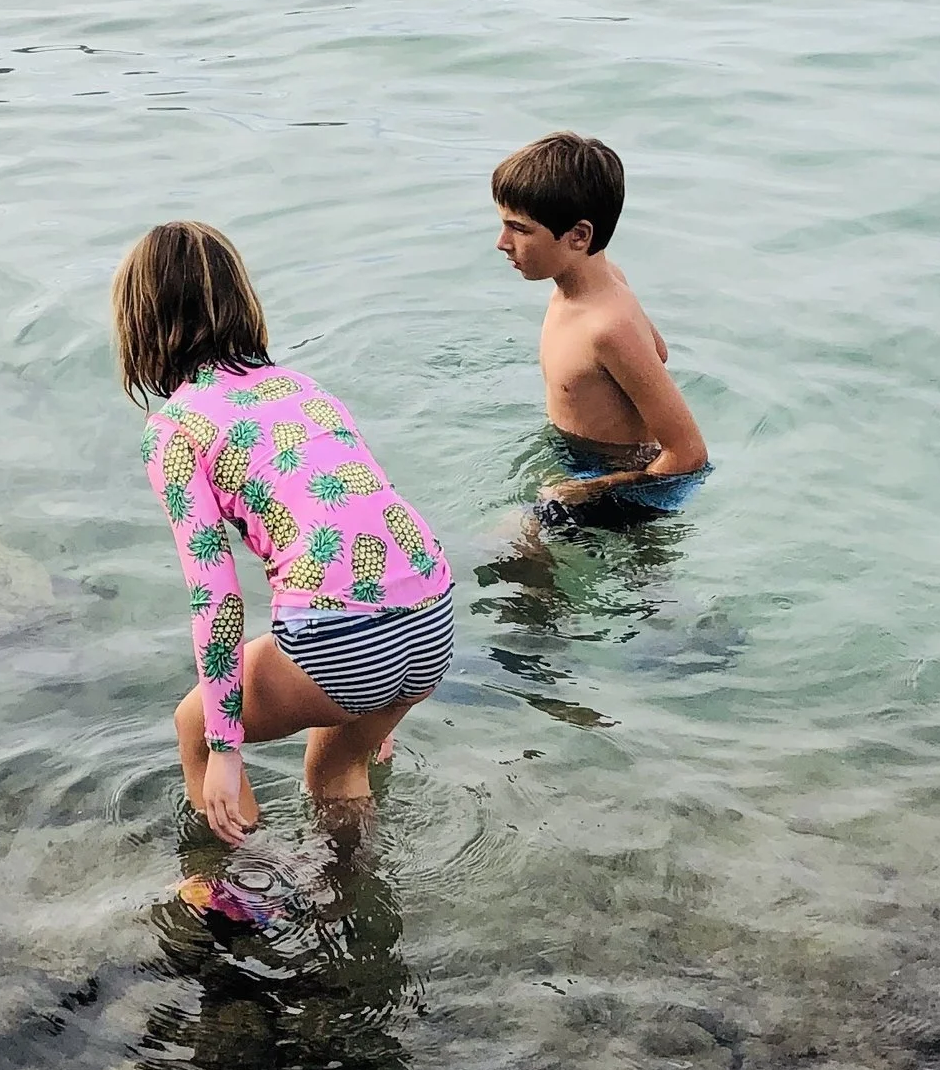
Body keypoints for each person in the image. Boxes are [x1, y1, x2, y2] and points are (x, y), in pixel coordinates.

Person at [114, 222, 455, 848]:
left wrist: (224, 747)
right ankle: (350, 896)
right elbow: (363, 510)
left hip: (347, 640)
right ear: (243, 302)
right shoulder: (302, 388)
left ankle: (235, 906)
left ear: (141, 323)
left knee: (194, 724)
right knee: (334, 770)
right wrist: (385, 688)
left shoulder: (176, 430)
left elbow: (214, 598)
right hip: (431, 619)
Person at [492, 132, 710, 525]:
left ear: (578, 236)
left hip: (611, 482)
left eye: (519, 229)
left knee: (508, 553)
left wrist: (590, 490)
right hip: (578, 461)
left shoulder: (606, 327)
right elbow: (657, 352)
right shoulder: (604, 284)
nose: (502, 242)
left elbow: (689, 453)